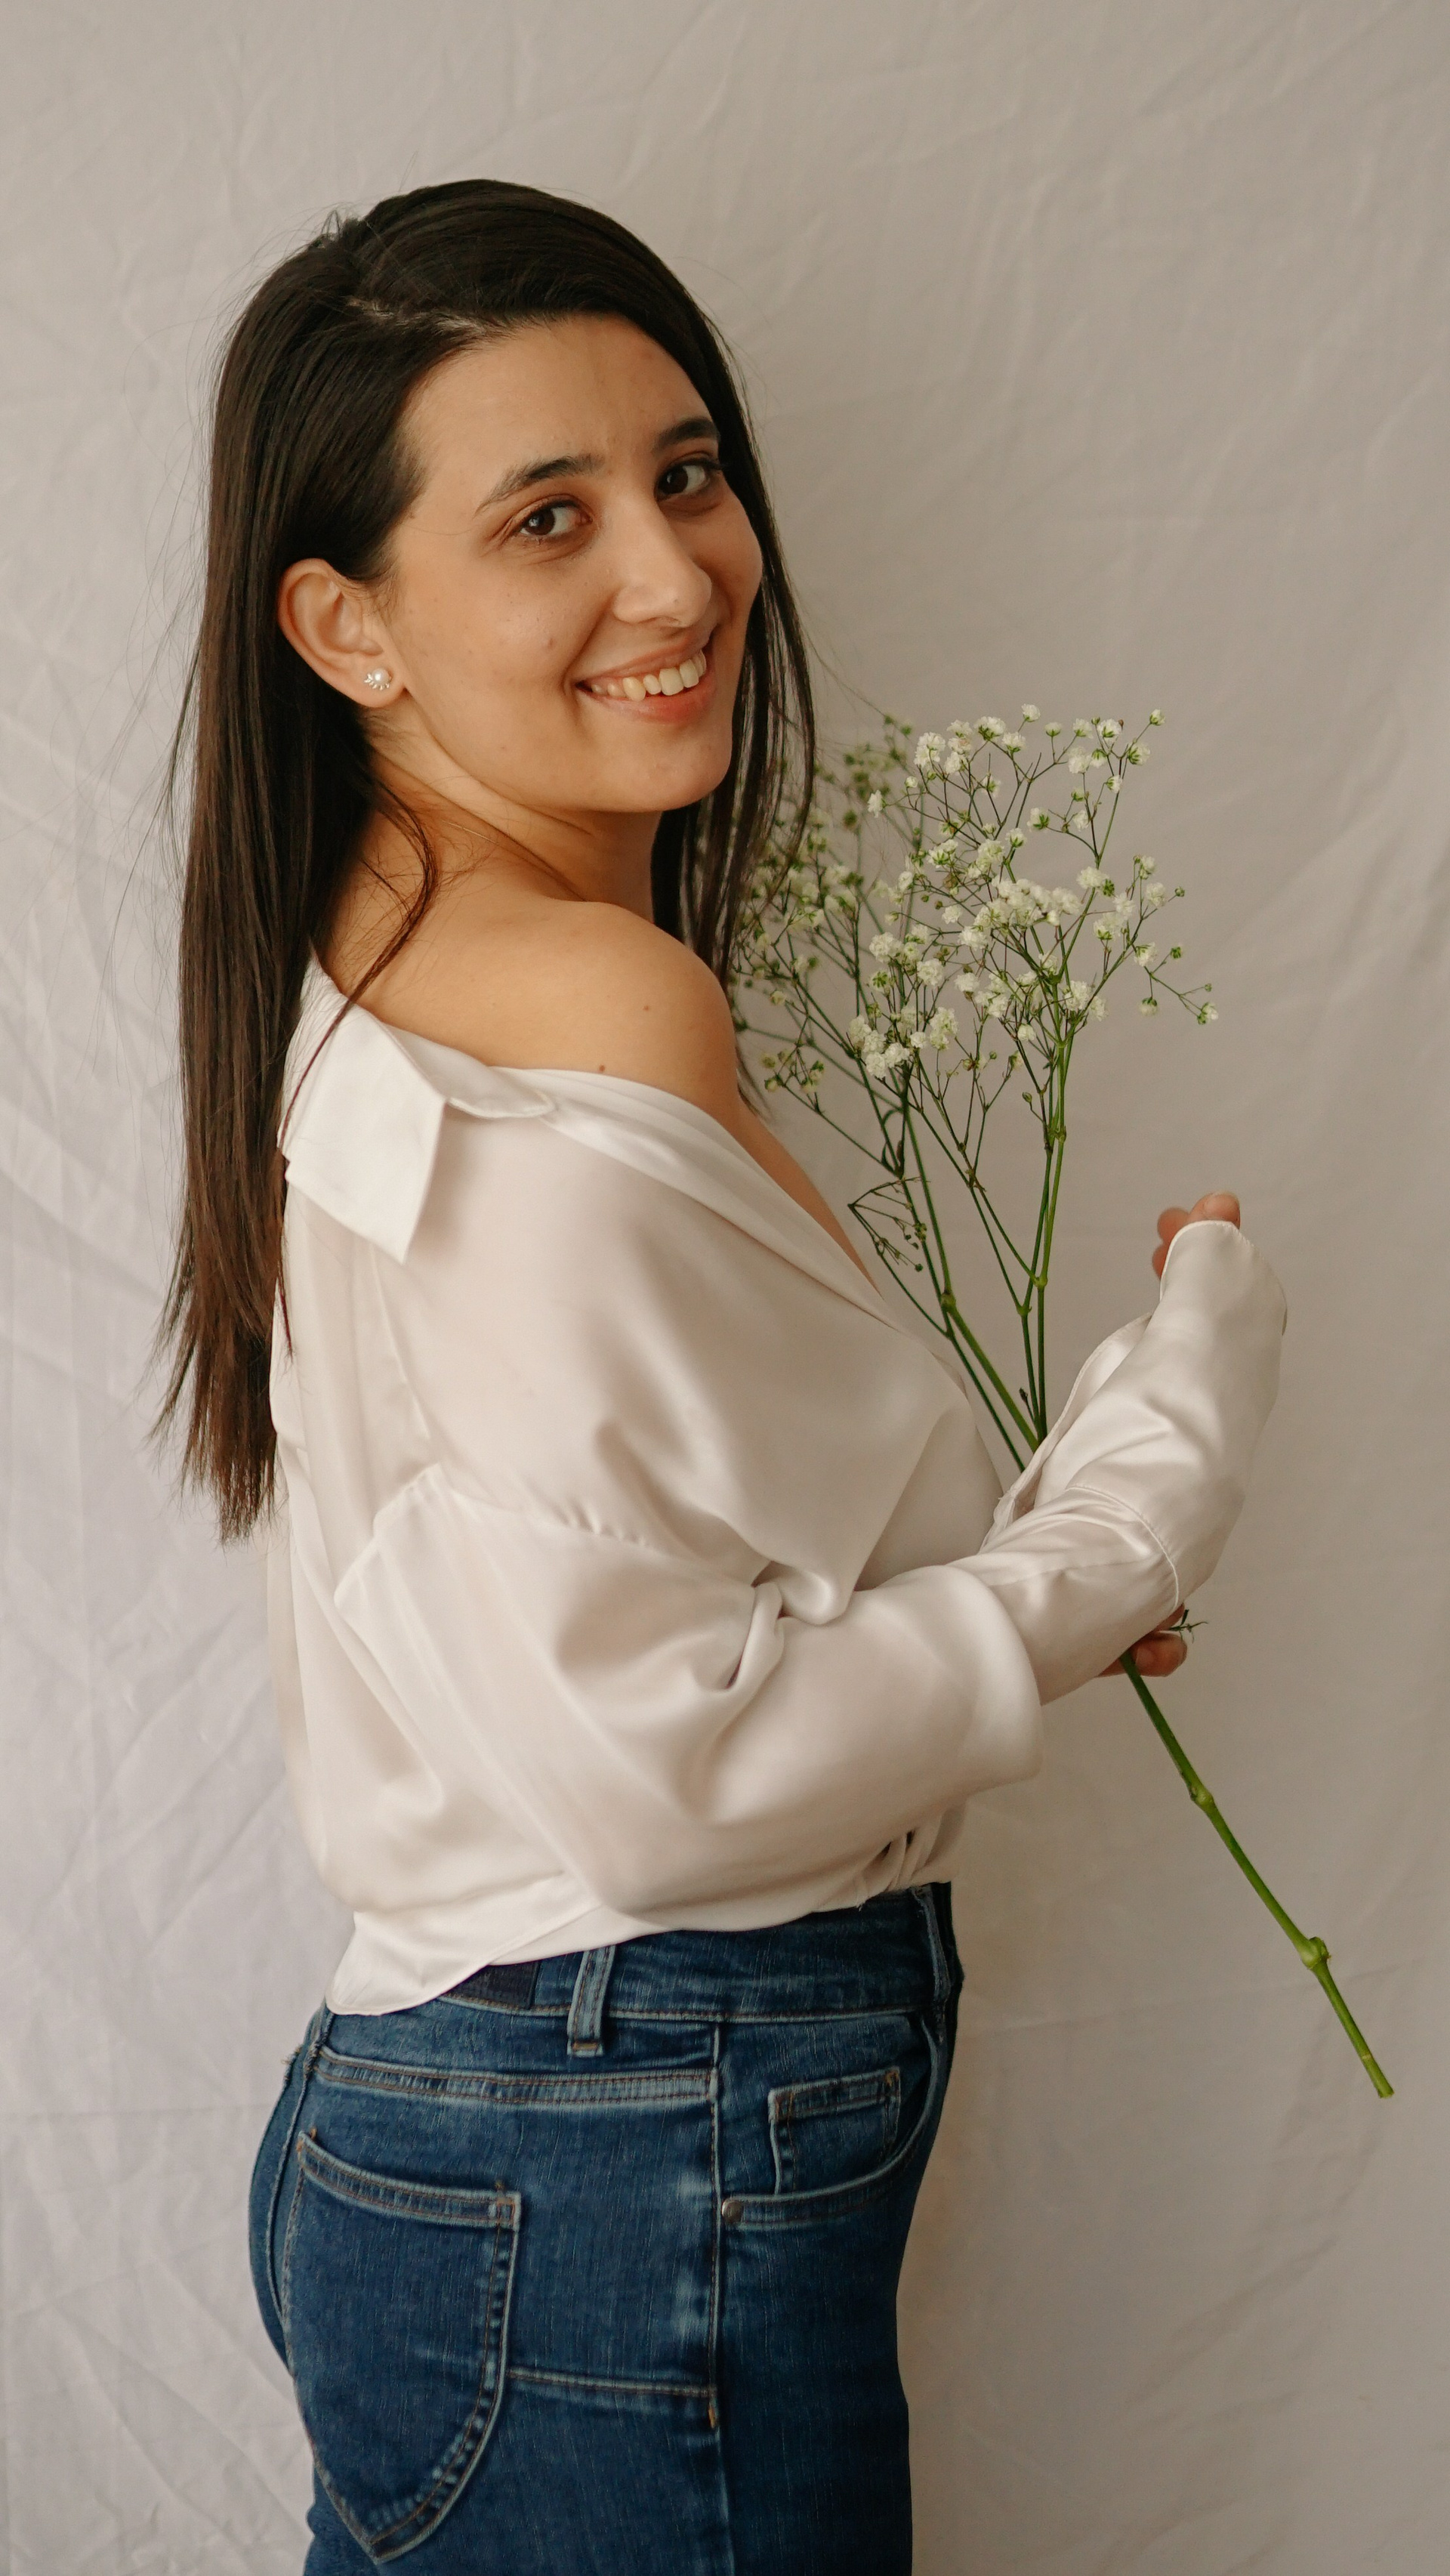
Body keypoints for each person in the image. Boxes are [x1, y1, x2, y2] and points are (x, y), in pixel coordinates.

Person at [159, 179, 1285, 2576]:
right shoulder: (590, 1003)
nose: (676, 575)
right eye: (546, 517)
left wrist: (1014, 1583)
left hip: (500, 2138)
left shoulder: (372, 956)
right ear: (345, 624)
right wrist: (1155, 1470)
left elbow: (620, 1597)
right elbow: (674, 1775)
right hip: (617, 2143)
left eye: (686, 473)